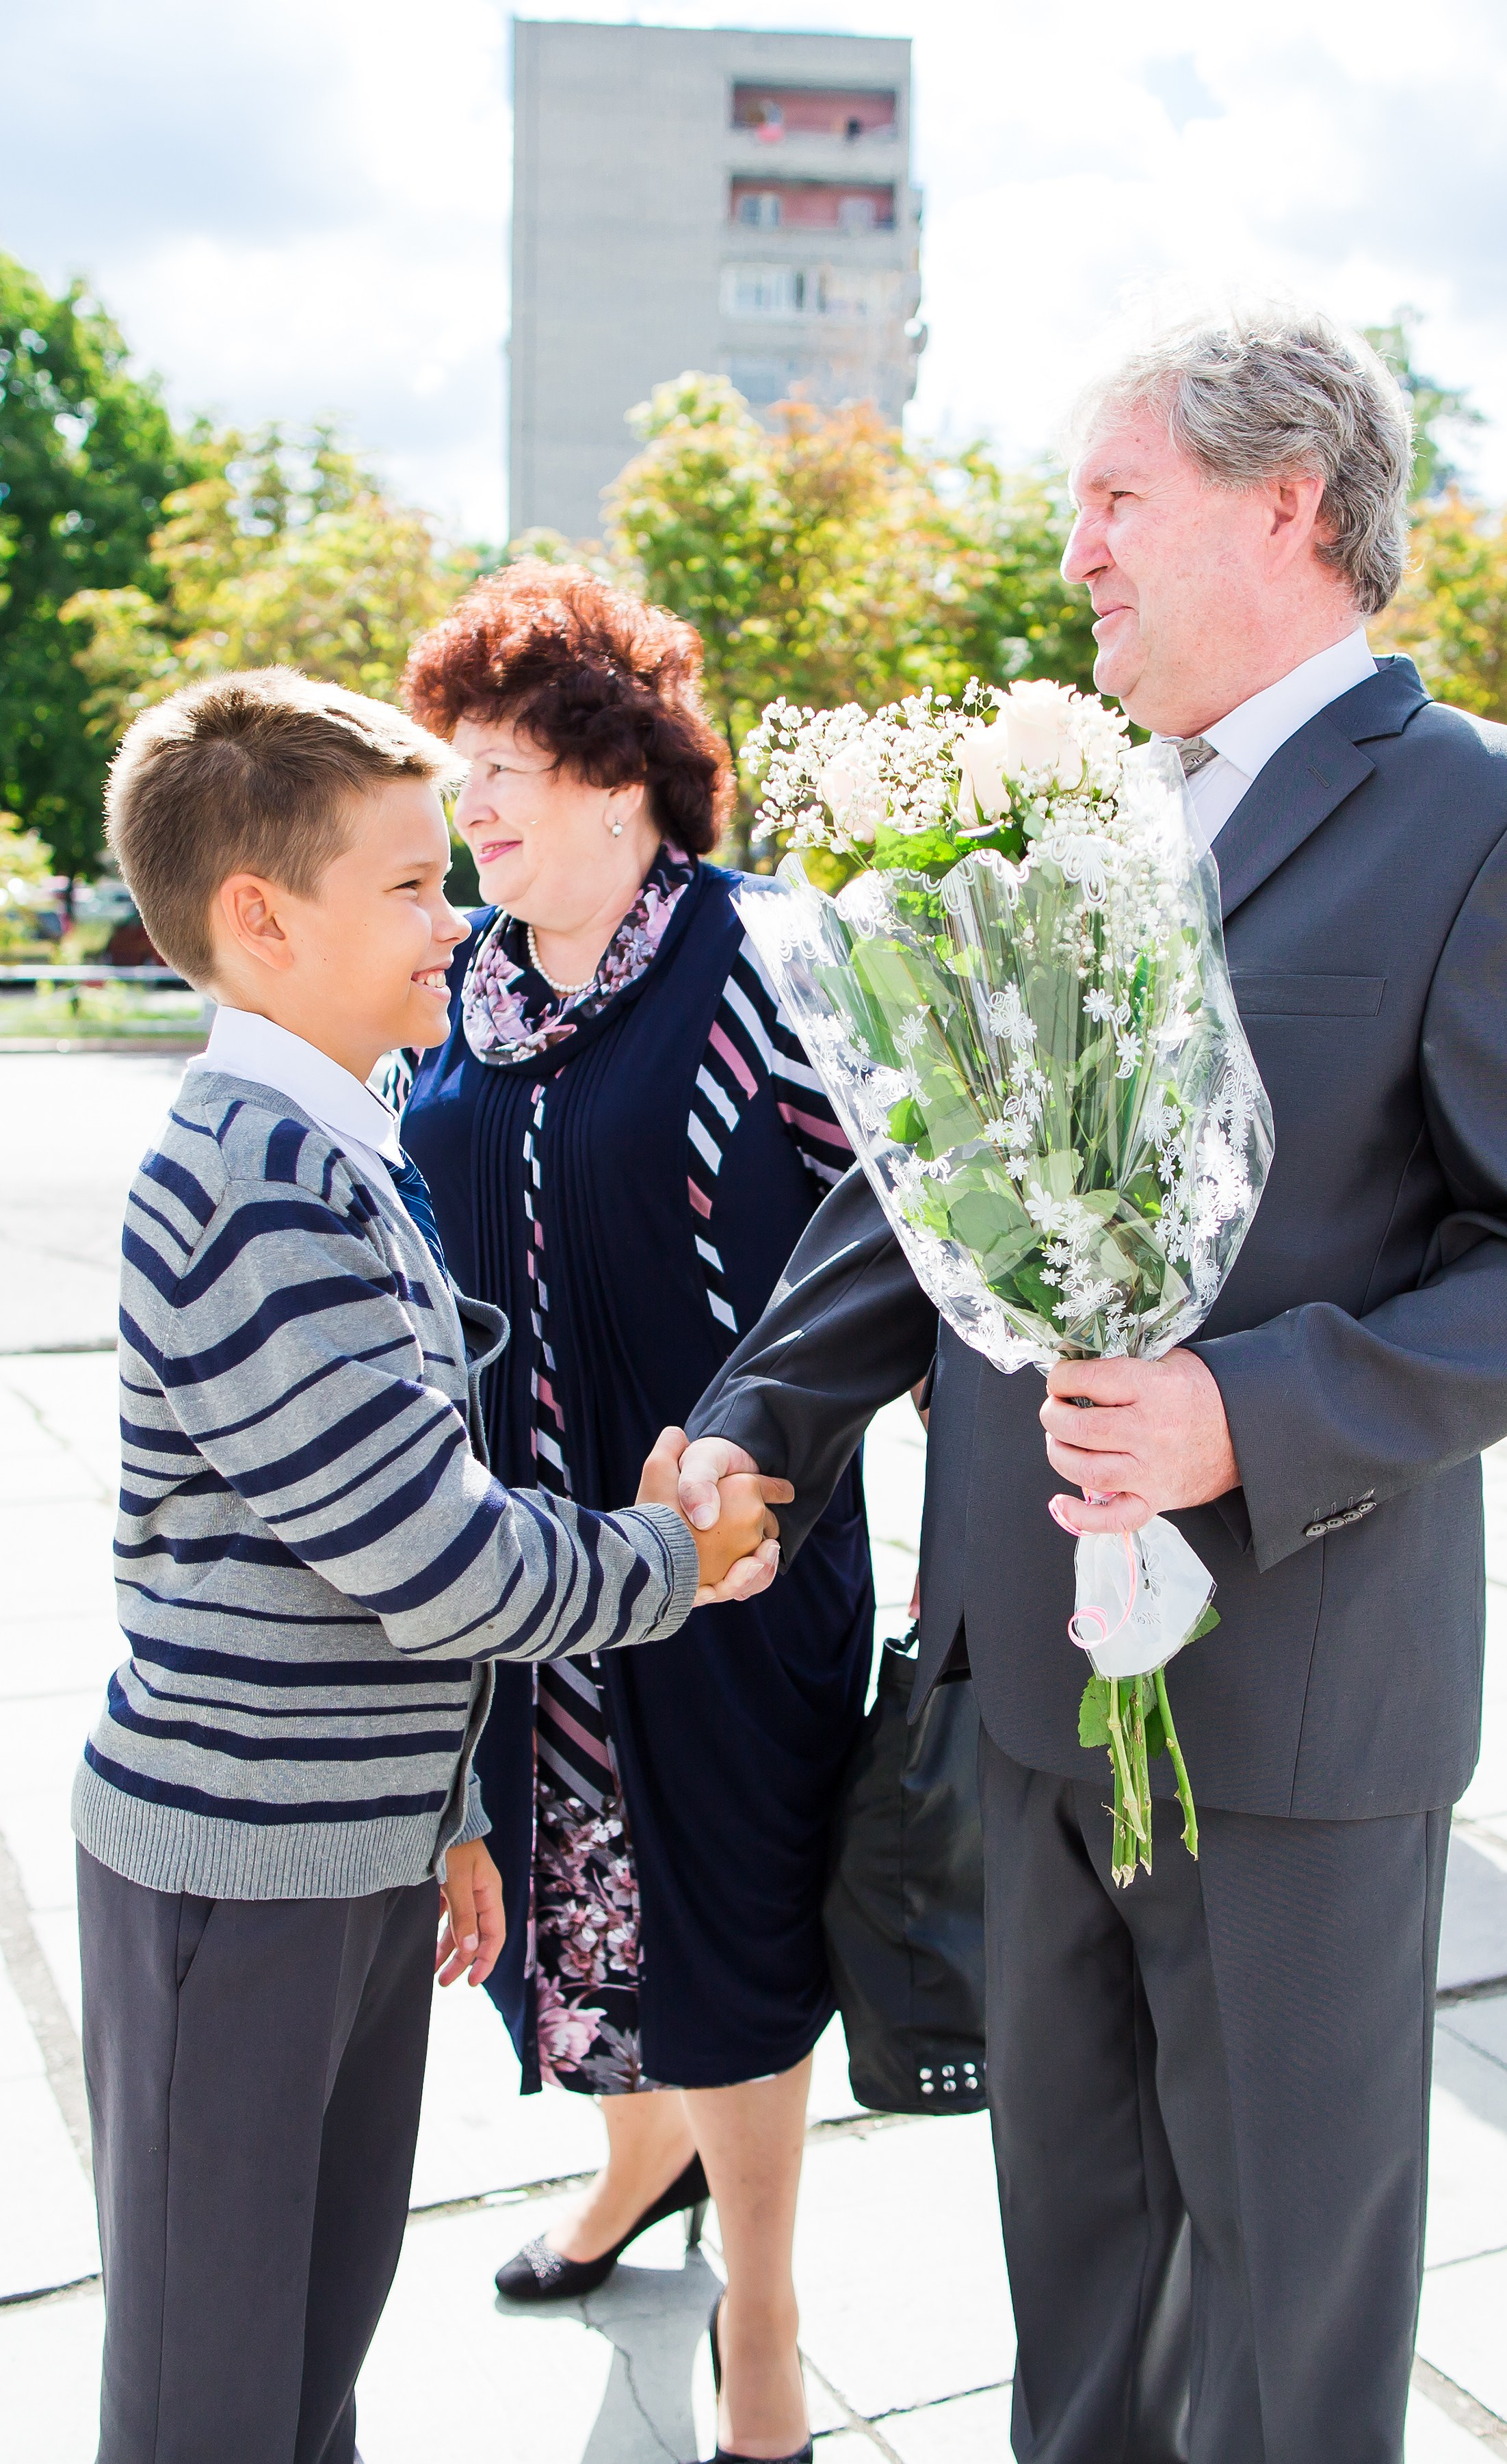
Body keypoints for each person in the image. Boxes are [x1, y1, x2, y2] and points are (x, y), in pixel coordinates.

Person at [678, 306, 1507, 2464]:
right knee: (1078, 2274)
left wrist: (1255, 1414)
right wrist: (763, 1413)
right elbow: (931, 1179)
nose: (1078, 549)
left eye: (1117, 498)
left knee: (1292, 2313)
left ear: (1287, 503)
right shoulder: (1075, 814)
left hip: (1301, 1709)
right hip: (1031, 1693)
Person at [73, 667, 777, 2464]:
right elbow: (431, 1552)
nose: (451, 913)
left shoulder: (330, 1138)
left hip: (340, 1852)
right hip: (239, 1881)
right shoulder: (262, 1183)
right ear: (257, 916)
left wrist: (448, 1807)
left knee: (305, 2357)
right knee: (209, 2399)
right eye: (405, 882)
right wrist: (672, 1558)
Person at [397, 564, 873, 2464]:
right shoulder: (461, 980)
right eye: (462, 775)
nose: (474, 809)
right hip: (524, 1569)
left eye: (506, 767)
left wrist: (763, 1442)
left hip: (728, 1558)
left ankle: (764, 2301)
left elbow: (895, 1240)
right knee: (573, 1906)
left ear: (622, 779)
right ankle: (634, 2171)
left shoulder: (767, 956)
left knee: (729, 1919)